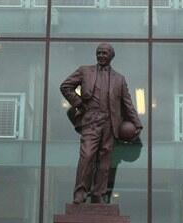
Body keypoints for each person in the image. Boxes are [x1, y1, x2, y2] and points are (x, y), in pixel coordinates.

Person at [60, 42, 143, 204]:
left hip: (110, 123)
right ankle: (80, 193)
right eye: (99, 53)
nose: (101, 56)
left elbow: (127, 103)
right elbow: (65, 86)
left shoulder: (119, 79)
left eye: (105, 53)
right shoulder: (85, 71)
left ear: (111, 56)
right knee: (87, 155)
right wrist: (78, 103)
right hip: (91, 120)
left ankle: (98, 194)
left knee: (105, 161)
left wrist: (136, 122)